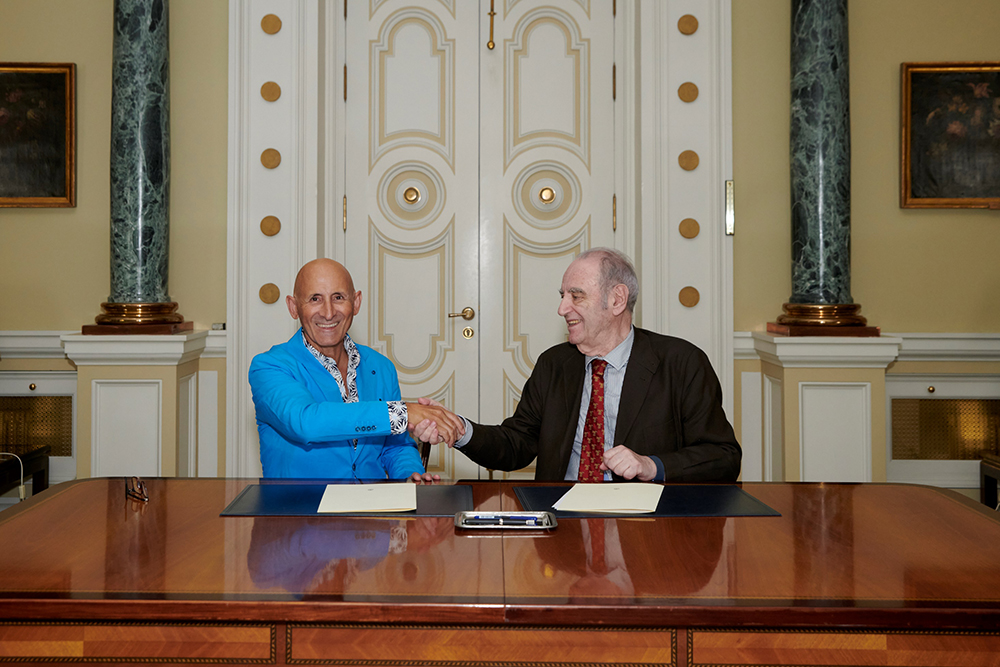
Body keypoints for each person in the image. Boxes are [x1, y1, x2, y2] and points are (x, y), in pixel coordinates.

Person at [412, 248, 741, 482]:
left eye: (576, 296)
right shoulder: (555, 365)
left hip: (644, 530)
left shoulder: (681, 364)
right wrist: (460, 429)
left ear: (616, 299)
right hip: (560, 522)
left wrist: (650, 465)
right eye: (562, 295)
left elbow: (723, 456)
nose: (562, 308)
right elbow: (517, 445)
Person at [249, 258, 464, 481]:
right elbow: (306, 422)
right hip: (300, 511)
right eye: (315, 299)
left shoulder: (381, 367)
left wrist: (410, 477)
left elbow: (396, 447)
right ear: (294, 307)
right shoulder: (269, 366)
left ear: (356, 302)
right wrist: (402, 412)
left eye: (338, 298)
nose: (329, 312)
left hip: (374, 511)